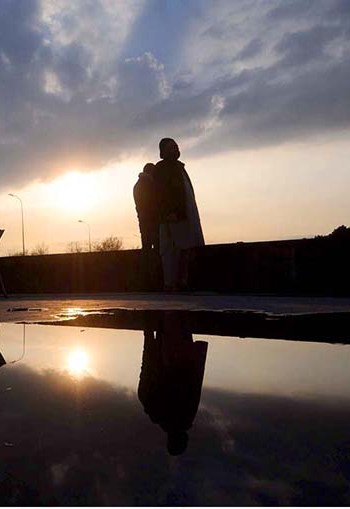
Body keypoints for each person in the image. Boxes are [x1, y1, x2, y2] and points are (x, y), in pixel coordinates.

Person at [137, 311, 208, 456]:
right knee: (174, 309)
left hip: (179, 354)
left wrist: (149, 336)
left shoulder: (184, 416)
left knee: (174, 309)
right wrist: (148, 334)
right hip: (171, 350)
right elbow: (146, 368)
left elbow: (194, 383)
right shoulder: (152, 408)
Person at [154, 138, 205, 290]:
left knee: (185, 249)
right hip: (172, 217)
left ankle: (182, 282)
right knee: (172, 251)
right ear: (163, 151)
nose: (176, 149)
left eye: (176, 146)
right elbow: (159, 194)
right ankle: (171, 283)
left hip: (184, 215)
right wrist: (168, 212)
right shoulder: (162, 168)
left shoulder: (178, 168)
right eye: (172, 147)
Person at [133, 163, 160, 253]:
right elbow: (152, 203)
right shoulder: (148, 184)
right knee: (157, 247)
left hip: (144, 220)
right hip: (152, 220)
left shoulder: (138, 184)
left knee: (146, 246)